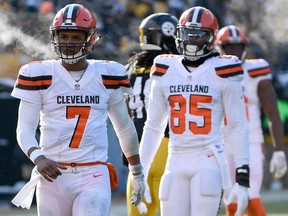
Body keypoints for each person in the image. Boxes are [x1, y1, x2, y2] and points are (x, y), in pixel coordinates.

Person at [10, 4, 144, 216]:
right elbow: (24, 128)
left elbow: (124, 128)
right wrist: (39, 157)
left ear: (90, 38)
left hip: (93, 172)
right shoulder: (38, 73)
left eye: (75, 37)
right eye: (64, 36)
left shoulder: (107, 73)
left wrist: (137, 172)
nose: (69, 43)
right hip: (52, 174)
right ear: (55, 37)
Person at [139, 6, 250, 216]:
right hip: (175, 158)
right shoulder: (165, 67)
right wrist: (140, 170)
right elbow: (154, 125)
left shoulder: (223, 69)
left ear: (211, 38)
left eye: (198, 36)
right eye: (187, 34)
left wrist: (243, 176)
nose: (191, 40)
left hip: (207, 158)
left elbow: (237, 125)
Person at [216, 25, 287, 216]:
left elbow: (272, 112)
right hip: (222, 143)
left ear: (245, 47)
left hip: (251, 142)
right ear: (220, 48)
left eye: (238, 47)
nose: (235, 51)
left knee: (252, 196)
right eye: (229, 47)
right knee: (230, 199)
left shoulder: (256, 71)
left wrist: (279, 150)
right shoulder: (210, 71)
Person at [124, 13, 179, 215]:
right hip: (167, 147)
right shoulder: (175, 65)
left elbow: (125, 111)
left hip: (138, 153)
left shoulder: (130, 67)